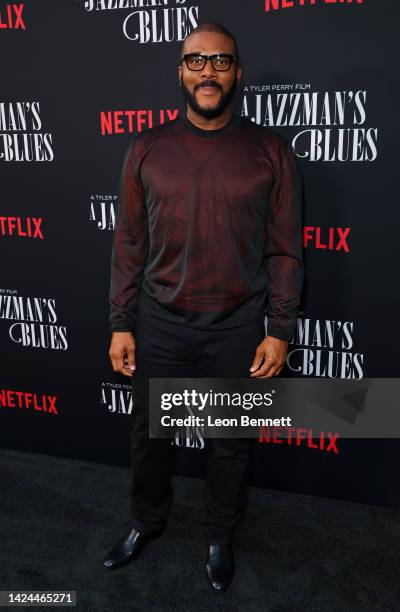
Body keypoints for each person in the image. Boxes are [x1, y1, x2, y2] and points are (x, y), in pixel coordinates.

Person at [103, 20, 304, 593]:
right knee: (150, 439)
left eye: (220, 61)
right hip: (159, 321)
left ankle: (220, 534)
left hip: (239, 325)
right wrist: (121, 322)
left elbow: (285, 249)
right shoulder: (146, 148)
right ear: (180, 72)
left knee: (231, 444)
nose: (208, 71)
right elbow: (128, 244)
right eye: (196, 60)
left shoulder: (270, 151)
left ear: (237, 73)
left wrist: (280, 327)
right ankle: (146, 523)